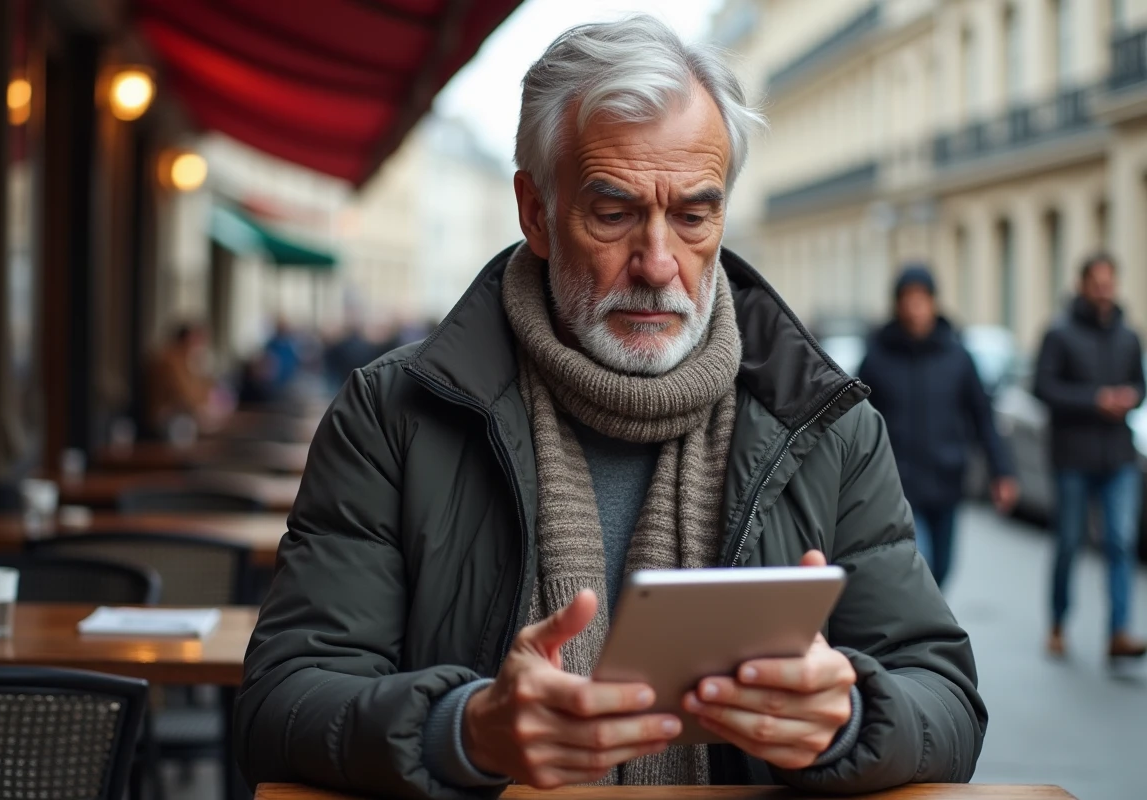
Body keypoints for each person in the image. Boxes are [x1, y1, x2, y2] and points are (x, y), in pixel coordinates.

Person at [235, 17, 985, 798]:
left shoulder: (828, 423)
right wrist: (463, 729)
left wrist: (854, 718)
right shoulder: (391, 416)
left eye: (694, 216)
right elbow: (278, 705)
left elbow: (949, 703)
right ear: (536, 214)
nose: (659, 264)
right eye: (614, 212)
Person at [858, 266, 1018, 587]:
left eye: (922, 299)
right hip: (897, 483)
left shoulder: (957, 356)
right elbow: (856, 420)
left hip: (946, 479)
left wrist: (1002, 472)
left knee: (943, 568)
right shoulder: (878, 357)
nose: (916, 308)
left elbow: (982, 416)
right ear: (898, 304)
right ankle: (919, 632)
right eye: (908, 299)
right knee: (921, 565)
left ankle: (922, 624)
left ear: (933, 303)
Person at [1033, 254, 1147, 661]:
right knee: (1069, 543)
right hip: (1073, 458)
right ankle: (1058, 622)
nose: (1103, 288)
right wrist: (1094, 400)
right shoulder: (1060, 333)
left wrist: (1130, 397)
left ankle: (1118, 631)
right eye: (1096, 281)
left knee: (1121, 541)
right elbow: (1042, 387)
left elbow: (1139, 384)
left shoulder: (1128, 335)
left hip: (1118, 457)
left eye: (1109, 281)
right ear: (1082, 284)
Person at [144, 322, 214, 439]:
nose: (200, 347)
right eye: (197, 341)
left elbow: (204, 394)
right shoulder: (170, 361)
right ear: (186, 340)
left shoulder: (185, 362)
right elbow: (186, 397)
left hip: (179, 418)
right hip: (165, 422)